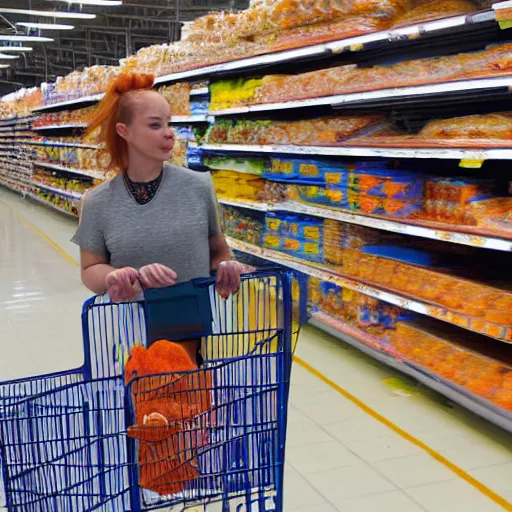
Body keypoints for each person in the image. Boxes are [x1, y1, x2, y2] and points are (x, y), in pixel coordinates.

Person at [72, 72, 248, 365]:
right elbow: (90, 269)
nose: (169, 133)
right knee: (140, 403)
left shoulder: (199, 185)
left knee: (188, 401)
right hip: (129, 334)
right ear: (123, 130)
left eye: (169, 124)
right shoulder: (98, 201)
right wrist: (117, 277)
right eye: (155, 125)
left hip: (192, 330)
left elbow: (218, 250)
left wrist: (227, 268)